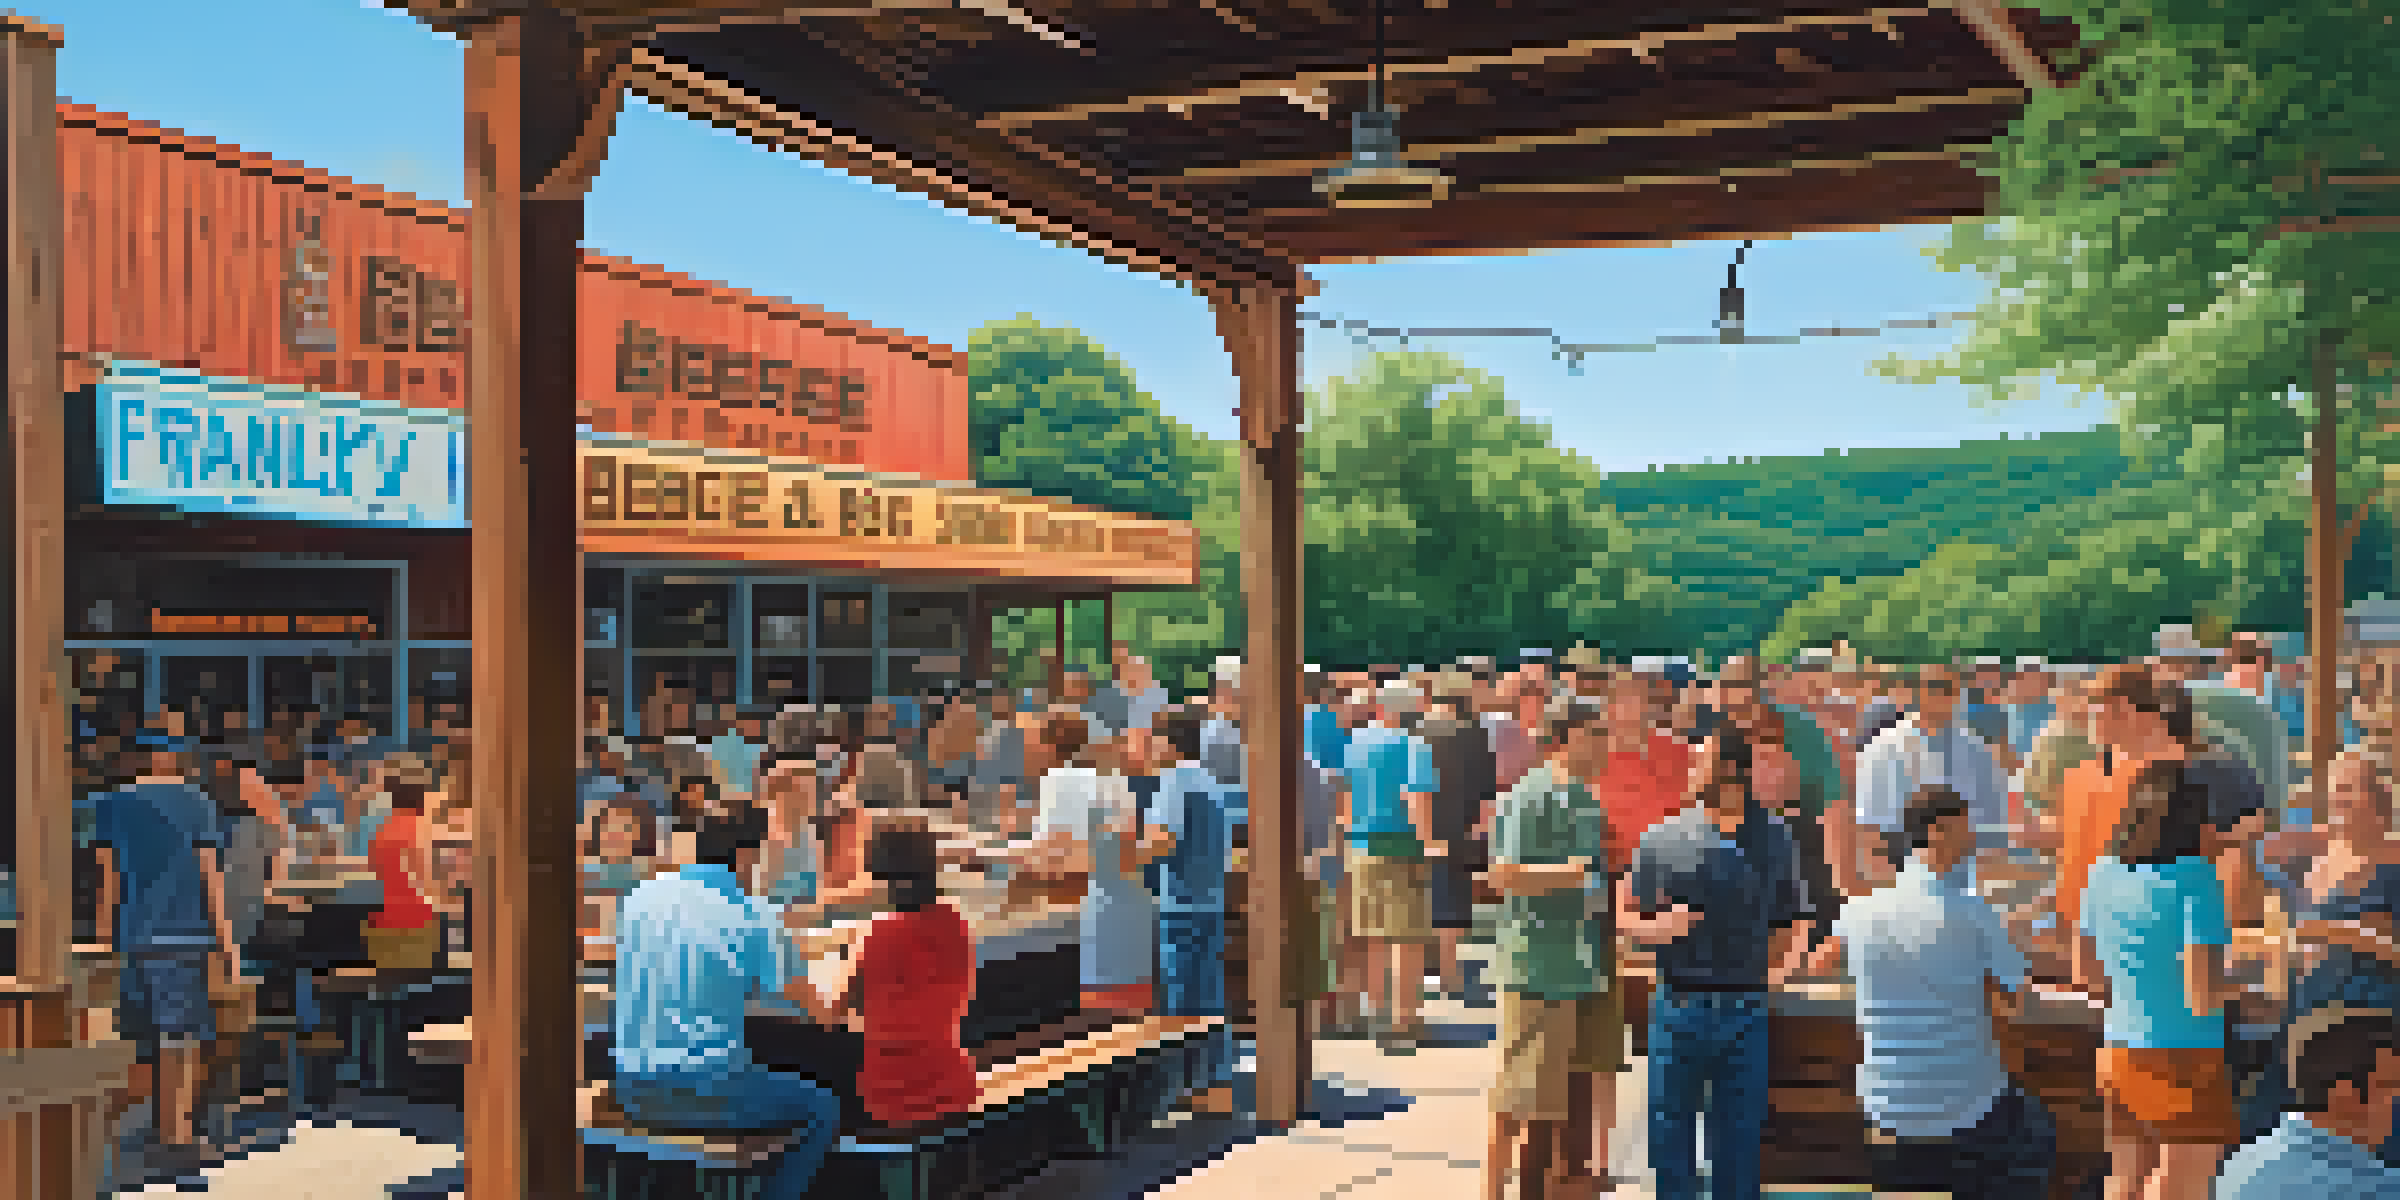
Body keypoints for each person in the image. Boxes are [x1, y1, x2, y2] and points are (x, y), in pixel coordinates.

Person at [1815, 784, 2055, 1200]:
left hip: (1886, 1112)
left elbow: (1817, 966)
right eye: (1966, 828)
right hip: (1967, 1113)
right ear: (1939, 831)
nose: (1974, 837)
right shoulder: (1975, 913)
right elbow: (2018, 1000)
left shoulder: (1859, 912)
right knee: (2037, 1134)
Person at [610, 809, 847, 1199]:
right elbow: (815, 1010)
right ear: (746, 857)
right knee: (822, 1108)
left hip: (630, 1083)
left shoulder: (641, 896)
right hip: (707, 1089)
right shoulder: (756, 915)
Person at [1624, 726, 1810, 1200]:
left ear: (1729, 771)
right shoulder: (1662, 837)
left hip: (1745, 1011)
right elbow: (1624, 916)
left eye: (1698, 762)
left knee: (1738, 1147)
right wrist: (1657, 930)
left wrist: (1774, 979)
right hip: (1677, 1006)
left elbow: (1793, 920)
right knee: (1671, 1147)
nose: (1688, 770)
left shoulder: (1774, 838)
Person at [2076, 758, 2242, 1200]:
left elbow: (2088, 977)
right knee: (2177, 1188)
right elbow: (2202, 995)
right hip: (2184, 1057)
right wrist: (2249, 985)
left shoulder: (2103, 873)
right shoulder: (2197, 880)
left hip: (2119, 1052)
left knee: (2125, 1180)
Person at [1484, 696, 1619, 1200]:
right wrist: (1572, 873)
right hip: (1538, 963)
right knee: (1522, 1092)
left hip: (1584, 962)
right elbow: (1502, 873)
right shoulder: (1530, 795)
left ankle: (1564, 1186)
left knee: (1570, 1092)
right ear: (1570, 737)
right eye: (1597, 733)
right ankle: (1495, 1191)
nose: (1606, 743)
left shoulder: (1585, 796)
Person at [2248, 751, 2400, 1153]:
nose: (2340, 800)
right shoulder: (2321, 858)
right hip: (2308, 1012)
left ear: (2381, 796)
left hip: (2367, 1020)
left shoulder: (2395, 863)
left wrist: (2347, 933)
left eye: (2352, 789)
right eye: (2336, 790)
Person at [92, 736, 236, 1159]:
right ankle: (178, 1135)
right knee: (181, 1040)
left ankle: (138, 1129)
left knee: (142, 1038)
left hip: (134, 933)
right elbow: (211, 877)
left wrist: (105, 941)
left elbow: (109, 879)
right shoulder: (197, 802)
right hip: (184, 933)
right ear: (173, 759)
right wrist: (226, 941)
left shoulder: (111, 803)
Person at [1033, 713, 1169, 1013]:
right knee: (1133, 1012)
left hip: (1090, 902)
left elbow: (1050, 850)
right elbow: (1134, 844)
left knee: (1100, 1011)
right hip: (1132, 902)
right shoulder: (1118, 782)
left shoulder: (1058, 781)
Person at [852, 826, 980, 1127]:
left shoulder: (883, 935)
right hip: (955, 1084)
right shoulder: (956, 925)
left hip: (894, 1095)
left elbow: (845, 1009)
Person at [1846, 662, 2008, 897]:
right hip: (1901, 880)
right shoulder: (1882, 749)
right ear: (1915, 690)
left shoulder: (1978, 752)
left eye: (1950, 688)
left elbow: (1992, 825)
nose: (1941, 696)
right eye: (1933, 687)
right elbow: (1871, 830)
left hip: (1967, 882)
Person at [1342, 682, 1444, 1053]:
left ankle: (1377, 1015)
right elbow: (1416, 797)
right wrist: (1428, 842)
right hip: (1401, 846)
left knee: (1373, 937)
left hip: (1360, 844)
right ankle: (1404, 1022)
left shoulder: (1355, 744)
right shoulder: (1414, 746)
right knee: (1408, 938)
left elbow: (1346, 795)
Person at [2215, 1005, 2400, 1199]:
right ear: (2344, 1093)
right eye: (2390, 1085)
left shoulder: (2239, 1165)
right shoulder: (2377, 1188)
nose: (2397, 1099)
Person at [1150, 709, 1234, 1019]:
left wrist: (1125, 852)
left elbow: (1164, 841)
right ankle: (1212, 1060)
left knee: (1180, 996)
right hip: (1211, 901)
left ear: (1169, 743)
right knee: (1209, 989)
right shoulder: (1210, 782)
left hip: (1181, 903)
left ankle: (1183, 1065)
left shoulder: (1173, 782)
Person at [1420, 677, 1496, 1002]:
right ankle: (1449, 974)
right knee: (1453, 902)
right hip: (1461, 827)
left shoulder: (1419, 734)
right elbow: (1486, 789)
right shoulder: (1475, 735)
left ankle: (1429, 968)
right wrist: (1482, 827)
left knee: (1426, 898)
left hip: (1422, 825)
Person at [363, 755, 441, 972]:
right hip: (421, 931)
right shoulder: (428, 832)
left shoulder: (381, 834)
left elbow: (376, 877)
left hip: (384, 931)